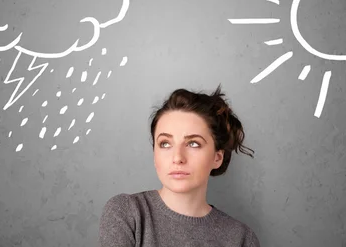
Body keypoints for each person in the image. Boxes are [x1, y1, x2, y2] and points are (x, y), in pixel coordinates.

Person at [99, 85, 260, 246]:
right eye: (165, 144)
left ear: (217, 158)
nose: (177, 157)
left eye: (194, 144)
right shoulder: (126, 212)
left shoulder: (241, 238)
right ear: (155, 155)